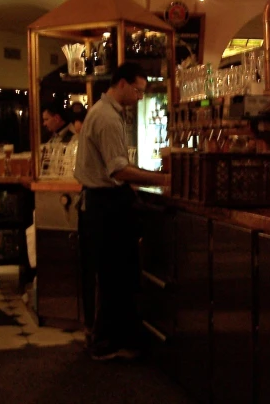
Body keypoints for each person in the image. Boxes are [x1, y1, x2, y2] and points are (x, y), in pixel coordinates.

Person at [74, 62, 169, 361]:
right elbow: (118, 170)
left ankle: (112, 338)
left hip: (100, 202)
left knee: (115, 273)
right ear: (123, 84)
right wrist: (163, 179)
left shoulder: (104, 112)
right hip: (105, 204)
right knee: (115, 274)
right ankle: (105, 343)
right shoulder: (108, 118)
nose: (141, 97)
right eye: (139, 90)